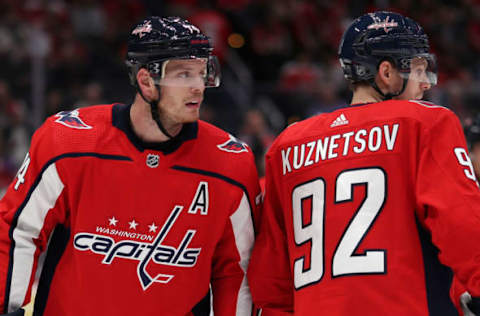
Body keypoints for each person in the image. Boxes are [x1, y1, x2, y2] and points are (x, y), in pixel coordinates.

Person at [0, 16, 260, 315]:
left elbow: (237, 270)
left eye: (202, 73)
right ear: (146, 81)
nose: (198, 87)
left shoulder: (230, 162)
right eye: (184, 74)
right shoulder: (69, 142)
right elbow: (18, 231)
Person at [247, 11, 480, 315]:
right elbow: (462, 221)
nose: (425, 84)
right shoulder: (424, 122)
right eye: (419, 70)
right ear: (387, 72)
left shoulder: (287, 145)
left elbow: (270, 276)